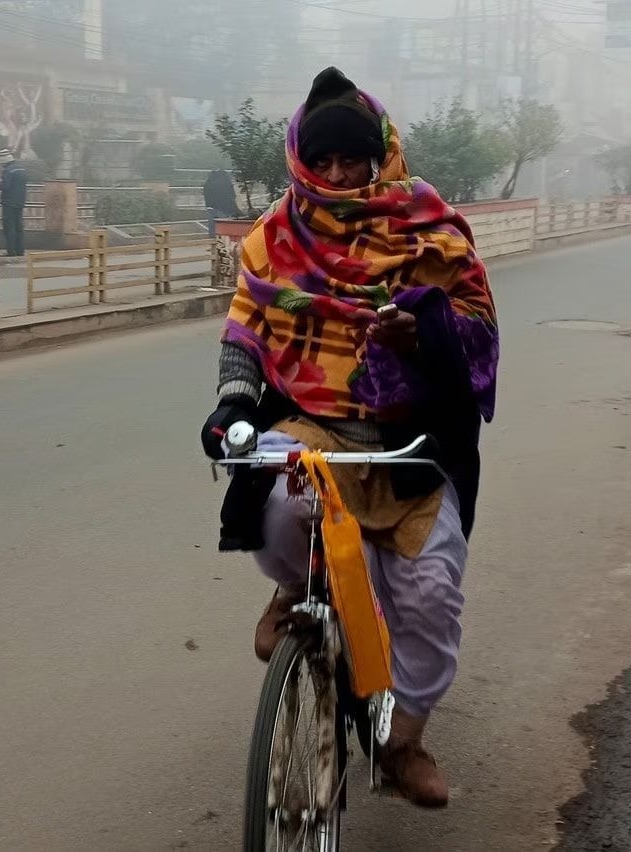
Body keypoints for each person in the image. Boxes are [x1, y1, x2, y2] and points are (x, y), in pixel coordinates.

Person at [200, 67, 498, 808]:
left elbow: (479, 328)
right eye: (323, 160)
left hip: (410, 443)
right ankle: (291, 593)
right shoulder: (275, 236)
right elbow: (247, 330)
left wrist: (423, 331)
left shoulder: (430, 227)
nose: (336, 175)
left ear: (380, 155)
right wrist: (232, 405)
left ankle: (404, 745)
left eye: (351, 160)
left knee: (429, 595)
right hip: (315, 425)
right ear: (303, 158)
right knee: (279, 507)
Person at [0, 149, 28, 257]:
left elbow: (5, 186)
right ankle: (20, 250)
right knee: (19, 226)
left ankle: (11, 251)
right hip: (20, 201)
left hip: (9, 202)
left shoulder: (8, 171)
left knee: (9, 227)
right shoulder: (22, 169)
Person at [202, 168, 239, 237]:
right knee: (224, 229)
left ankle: (213, 243)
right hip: (224, 209)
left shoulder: (208, 182)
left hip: (211, 208)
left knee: (212, 229)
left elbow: (206, 195)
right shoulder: (226, 182)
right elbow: (232, 196)